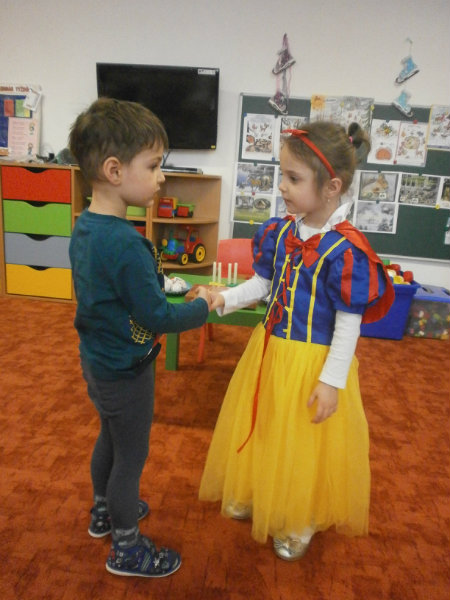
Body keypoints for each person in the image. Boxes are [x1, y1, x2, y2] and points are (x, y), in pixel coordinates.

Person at [199, 121, 394, 560]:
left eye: (293, 178)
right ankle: (259, 490)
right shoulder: (281, 233)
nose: (282, 186)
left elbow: (348, 325)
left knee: (304, 441)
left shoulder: (347, 251)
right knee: (267, 424)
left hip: (312, 365)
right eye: (281, 175)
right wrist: (223, 298)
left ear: (331, 188)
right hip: (269, 353)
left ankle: (298, 516)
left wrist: (332, 381)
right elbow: (262, 285)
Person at [69, 98, 211, 577]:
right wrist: (203, 306)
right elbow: (157, 317)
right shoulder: (127, 242)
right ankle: (127, 548)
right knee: (131, 457)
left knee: (109, 438)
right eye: (153, 166)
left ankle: (103, 512)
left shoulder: (86, 228)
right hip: (127, 370)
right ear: (114, 170)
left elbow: (116, 291)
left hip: (97, 362)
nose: (161, 177)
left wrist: (160, 286)